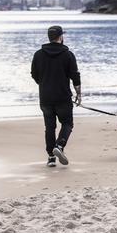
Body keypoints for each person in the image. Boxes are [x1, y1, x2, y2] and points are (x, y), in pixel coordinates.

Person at [31, 25, 82, 167]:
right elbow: (75, 76)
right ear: (60, 37)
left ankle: (51, 158)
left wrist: (44, 84)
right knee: (67, 123)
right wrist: (78, 94)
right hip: (63, 97)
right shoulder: (68, 55)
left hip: (45, 97)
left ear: (49, 37)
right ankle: (59, 146)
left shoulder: (38, 54)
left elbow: (34, 75)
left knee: (50, 127)